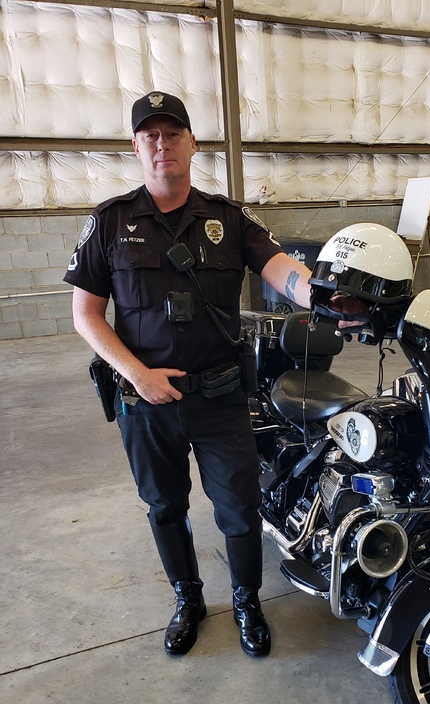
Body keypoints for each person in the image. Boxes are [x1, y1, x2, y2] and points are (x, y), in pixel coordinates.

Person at [66, 91, 314, 659]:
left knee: (240, 510)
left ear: (192, 143)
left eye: (172, 133)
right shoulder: (110, 222)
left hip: (221, 397)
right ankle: (188, 599)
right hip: (146, 402)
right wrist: (138, 374)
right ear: (136, 147)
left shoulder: (229, 219)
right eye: (150, 135)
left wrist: (325, 296)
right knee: (165, 507)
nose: (162, 144)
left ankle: (247, 602)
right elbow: (86, 316)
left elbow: (283, 271)